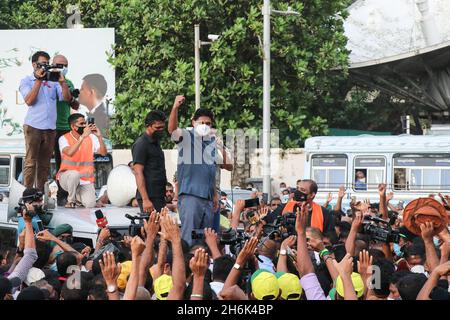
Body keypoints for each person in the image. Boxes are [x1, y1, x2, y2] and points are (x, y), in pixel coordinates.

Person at [168, 95, 218, 245]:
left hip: (208, 199)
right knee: (188, 241)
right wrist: (175, 107)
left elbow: (211, 171)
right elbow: (172, 129)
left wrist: (214, 193)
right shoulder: (186, 136)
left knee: (204, 242)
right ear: (193, 123)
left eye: (208, 123)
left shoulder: (212, 142)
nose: (205, 126)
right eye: (201, 122)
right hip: (191, 197)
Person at [19, 51, 72, 191]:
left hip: (50, 128)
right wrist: (39, 80)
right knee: (31, 162)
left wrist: (62, 82)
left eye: (47, 64)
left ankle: (40, 194)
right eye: (42, 64)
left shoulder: (53, 82)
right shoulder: (26, 81)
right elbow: (29, 101)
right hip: (33, 126)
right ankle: (27, 194)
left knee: (44, 164)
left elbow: (66, 98)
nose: (45, 67)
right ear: (34, 64)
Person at [56, 113, 107, 208]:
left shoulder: (91, 137)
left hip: (85, 181)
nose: (84, 126)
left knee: (90, 204)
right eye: (82, 124)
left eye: (85, 123)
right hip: (67, 178)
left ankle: (78, 198)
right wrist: (82, 137)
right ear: (73, 126)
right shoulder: (63, 138)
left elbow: (103, 153)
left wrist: (99, 136)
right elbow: (70, 152)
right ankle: (70, 201)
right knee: (74, 174)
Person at [52, 54, 79, 207]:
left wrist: (69, 92)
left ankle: (64, 196)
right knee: (41, 164)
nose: (63, 68)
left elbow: (75, 105)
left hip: (64, 128)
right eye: (60, 65)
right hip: (47, 127)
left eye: (65, 65)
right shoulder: (46, 81)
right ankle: (38, 197)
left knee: (64, 164)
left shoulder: (68, 82)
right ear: (52, 65)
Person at [132, 110, 168, 213]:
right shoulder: (141, 144)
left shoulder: (156, 142)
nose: (161, 130)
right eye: (157, 128)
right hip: (149, 198)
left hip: (159, 195)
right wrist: (145, 199)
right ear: (147, 126)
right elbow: (138, 172)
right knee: (151, 228)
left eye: (162, 127)